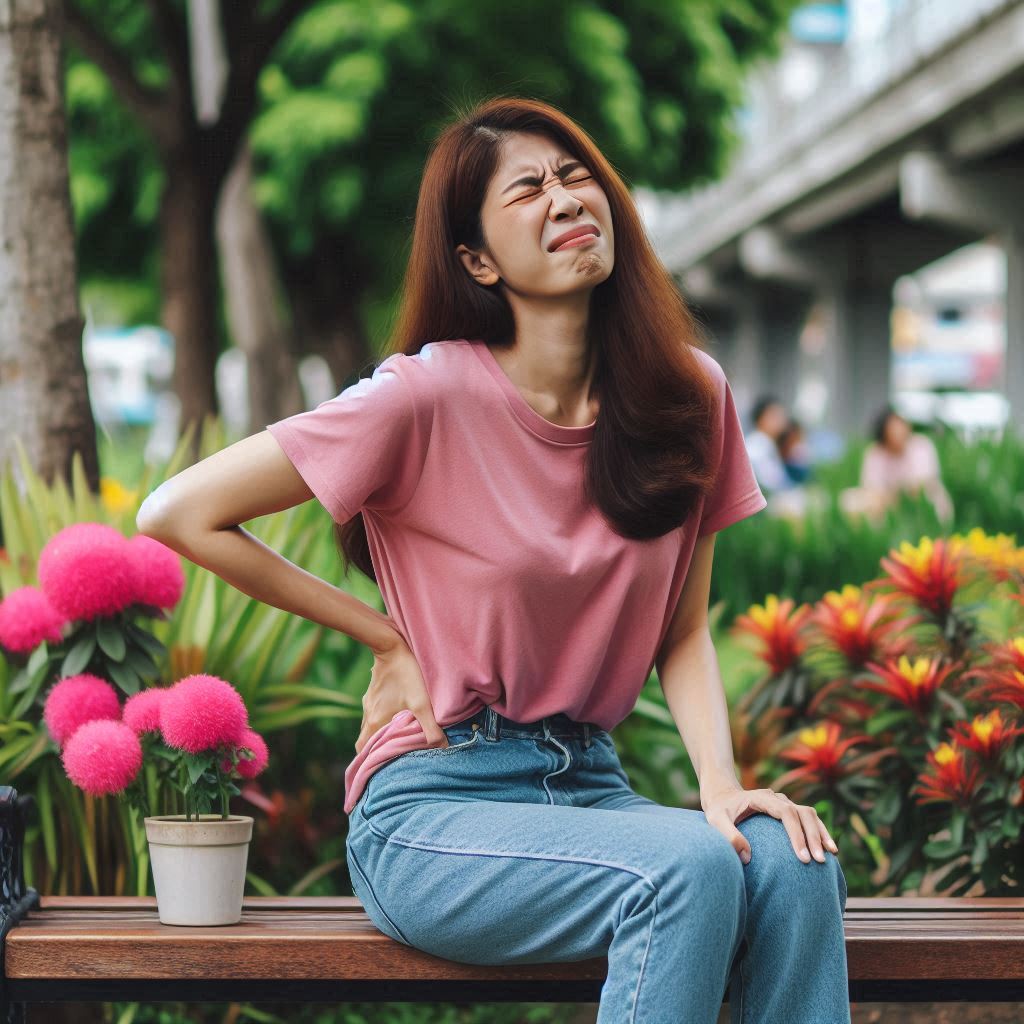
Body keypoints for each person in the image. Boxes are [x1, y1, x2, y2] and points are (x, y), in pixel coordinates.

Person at [136, 96, 849, 1024]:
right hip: (432, 807)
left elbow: (682, 633)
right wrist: (385, 639)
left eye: (574, 176)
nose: (563, 199)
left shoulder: (688, 393)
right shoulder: (424, 395)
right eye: (528, 190)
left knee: (793, 867)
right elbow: (178, 511)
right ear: (477, 260)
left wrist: (721, 782)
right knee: (685, 872)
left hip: (589, 788)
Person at [858, 406, 954, 524]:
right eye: (892, 429)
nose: (899, 432)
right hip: (890, 511)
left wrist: (890, 495)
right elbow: (870, 489)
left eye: (900, 425)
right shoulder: (875, 453)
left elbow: (919, 487)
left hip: (925, 508)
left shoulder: (921, 446)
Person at [744, 395, 792, 493]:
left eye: (781, 415)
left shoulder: (767, 443)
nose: (781, 420)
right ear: (761, 418)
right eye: (775, 415)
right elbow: (770, 483)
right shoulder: (757, 445)